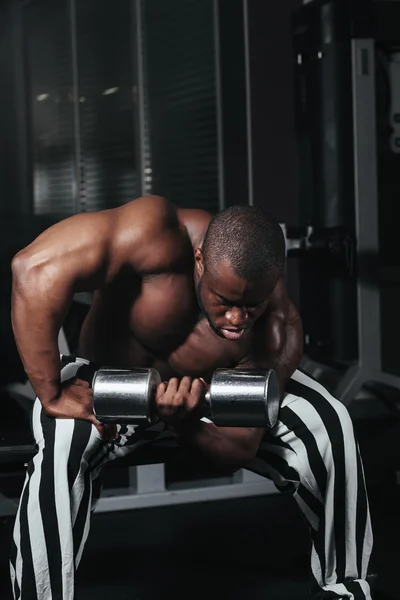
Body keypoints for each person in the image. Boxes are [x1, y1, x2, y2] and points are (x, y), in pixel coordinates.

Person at [10, 196, 372, 599]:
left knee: (331, 420)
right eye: (225, 301)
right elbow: (34, 268)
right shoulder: (152, 235)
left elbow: (236, 449)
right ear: (200, 260)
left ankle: (347, 589)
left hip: (211, 401)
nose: (237, 320)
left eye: (251, 306)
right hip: (112, 385)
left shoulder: (278, 330)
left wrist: (184, 422)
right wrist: (50, 392)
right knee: (62, 439)